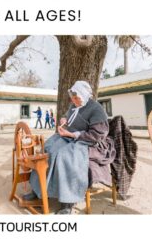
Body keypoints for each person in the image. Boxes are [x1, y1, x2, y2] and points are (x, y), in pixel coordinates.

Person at [23, 80, 115, 214]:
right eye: (72, 98)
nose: (74, 100)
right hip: (69, 137)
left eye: (76, 98)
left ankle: (67, 202)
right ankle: (38, 190)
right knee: (48, 149)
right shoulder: (74, 105)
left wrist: (73, 134)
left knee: (65, 157)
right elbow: (69, 116)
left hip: (88, 142)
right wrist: (64, 120)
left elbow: (98, 135)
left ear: (84, 95)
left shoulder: (96, 109)